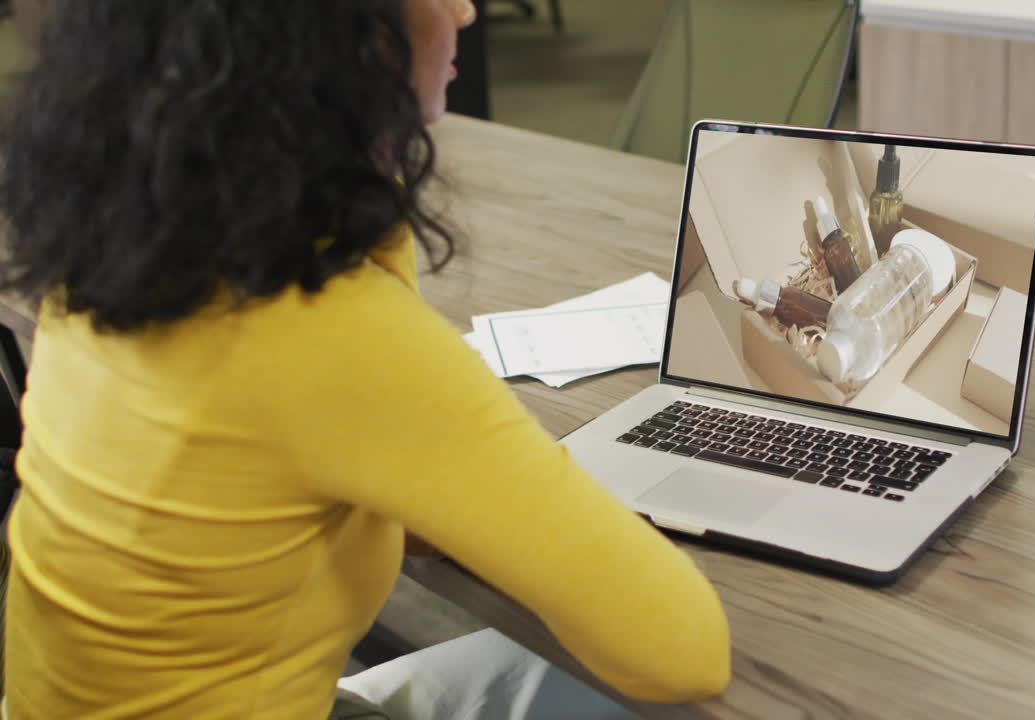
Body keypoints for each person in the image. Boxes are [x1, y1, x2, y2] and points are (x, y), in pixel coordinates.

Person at [0, 1, 731, 718]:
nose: (468, 13)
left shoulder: (118, 256)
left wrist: (366, 169)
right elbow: (684, 651)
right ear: (343, 36)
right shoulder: (324, 332)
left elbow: (404, 514)